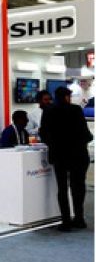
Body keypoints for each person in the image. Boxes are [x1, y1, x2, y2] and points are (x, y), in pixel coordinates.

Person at [40, 86, 93, 231]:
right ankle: (79, 219)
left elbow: (43, 133)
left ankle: (66, 221)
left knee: (62, 189)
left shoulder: (48, 111)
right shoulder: (76, 110)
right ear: (67, 97)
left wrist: (53, 145)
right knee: (78, 187)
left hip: (59, 155)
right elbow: (86, 134)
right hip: (78, 155)